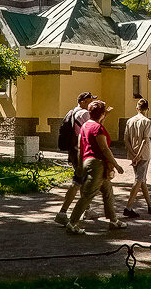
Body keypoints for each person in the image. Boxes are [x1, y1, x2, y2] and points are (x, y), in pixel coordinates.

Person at [66, 100, 126, 234]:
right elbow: (104, 148)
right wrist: (116, 165)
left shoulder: (85, 125)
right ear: (102, 113)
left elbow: (81, 147)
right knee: (87, 195)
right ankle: (72, 223)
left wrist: (81, 166)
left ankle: (114, 220)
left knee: (108, 191)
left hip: (88, 162)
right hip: (97, 165)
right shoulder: (98, 128)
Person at [56, 92, 99, 225]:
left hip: (74, 151)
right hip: (82, 153)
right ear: (83, 101)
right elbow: (93, 130)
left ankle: (87, 209)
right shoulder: (84, 114)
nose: (92, 103)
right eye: (90, 101)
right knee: (78, 182)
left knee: (82, 182)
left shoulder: (73, 112)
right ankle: (62, 213)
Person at [123, 99, 151, 218]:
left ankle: (150, 205)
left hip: (133, 152)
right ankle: (128, 207)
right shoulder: (147, 121)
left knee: (141, 179)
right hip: (144, 154)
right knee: (139, 179)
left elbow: (126, 139)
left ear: (137, 108)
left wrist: (133, 153)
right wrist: (139, 154)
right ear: (147, 109)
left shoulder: (130, 121)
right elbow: (145, 140)